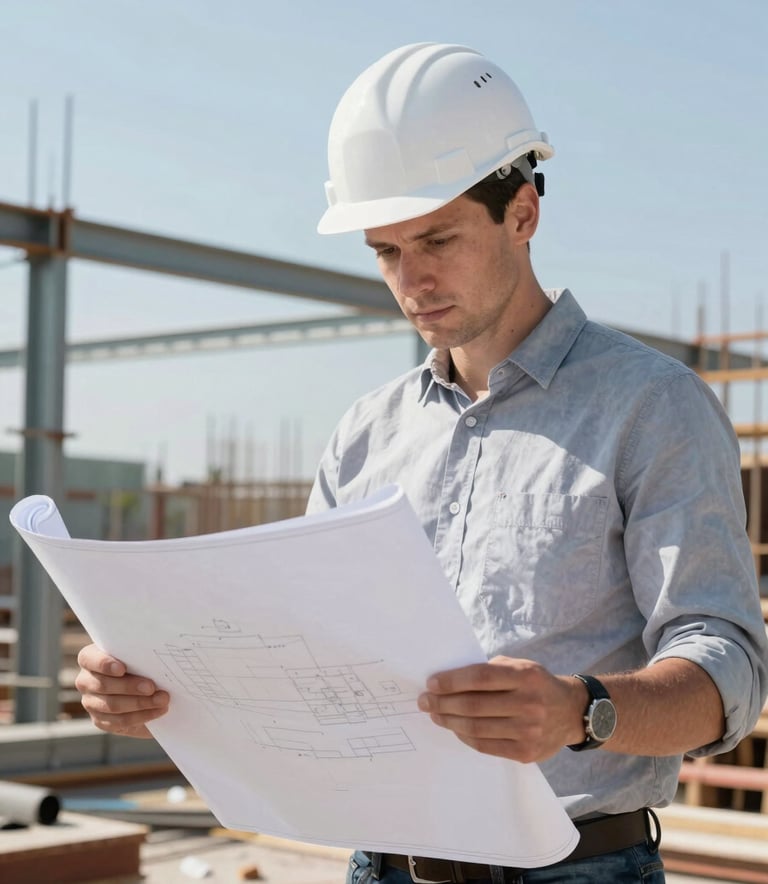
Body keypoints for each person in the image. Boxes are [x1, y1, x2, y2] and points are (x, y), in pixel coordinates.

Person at [76, 43, 768, 883]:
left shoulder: (652, 407)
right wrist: (163, 693)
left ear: (522, 213)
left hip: (574, 867)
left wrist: (580, 711)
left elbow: (725, 673)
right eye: (387, 251)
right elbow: (302, 659)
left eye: (437, 238)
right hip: (383, 865)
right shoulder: (368, 433)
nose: (413, 280)